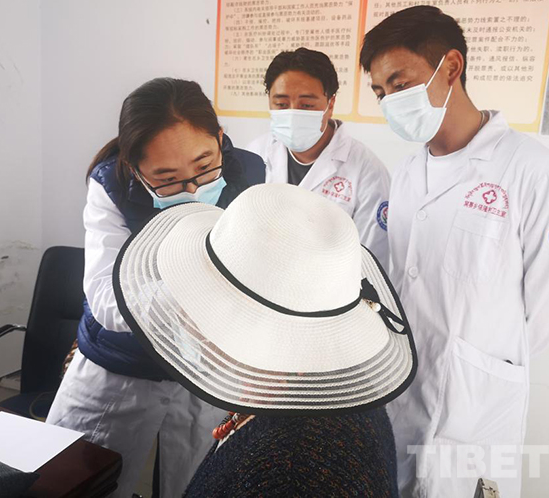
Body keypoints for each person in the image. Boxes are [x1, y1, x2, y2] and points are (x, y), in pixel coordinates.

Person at [360, 6, 549, 497]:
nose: (390, 102)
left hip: (476, 409)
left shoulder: (536, 171)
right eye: (380, 93)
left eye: (400, 84)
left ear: (451, 67)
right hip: (401, 390)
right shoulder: (407, 172)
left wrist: (479, 363)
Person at [112, 183, 418, 497]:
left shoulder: (297, 472)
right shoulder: (284, 394)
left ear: (242, 322)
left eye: (200, 292)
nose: (183, 309)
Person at [46, 78, 265, 497]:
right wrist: (201, 290)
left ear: (220, 139)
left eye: (204, 166)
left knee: (197, 485)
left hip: (207, 373)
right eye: (167, 178)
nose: (194, 189)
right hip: (120, 366)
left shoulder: (251, 172)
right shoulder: (110, 184)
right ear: (135, 168)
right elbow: (107, 301)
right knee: (73, 481)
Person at [247, 48, 391, 269]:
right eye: (282, 104)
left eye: (306, 105)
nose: (293, 113)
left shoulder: (367, 171)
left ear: (330, 104)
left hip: (332, 287)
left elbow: (369, 263)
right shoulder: (256, 153)